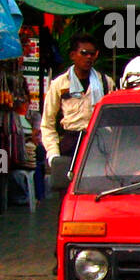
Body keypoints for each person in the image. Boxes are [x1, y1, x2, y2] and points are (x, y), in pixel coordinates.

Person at [41, 35, 115, 183]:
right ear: (73, 55)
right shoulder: (59, 84)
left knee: (96, 189)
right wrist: (54, 154)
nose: (88, 57)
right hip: (70, 144)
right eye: (84, 53)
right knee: (68, 190)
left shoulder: (106, 83)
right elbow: (47, 123)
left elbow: (115, 121)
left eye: (92, 54)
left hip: (98, 144)